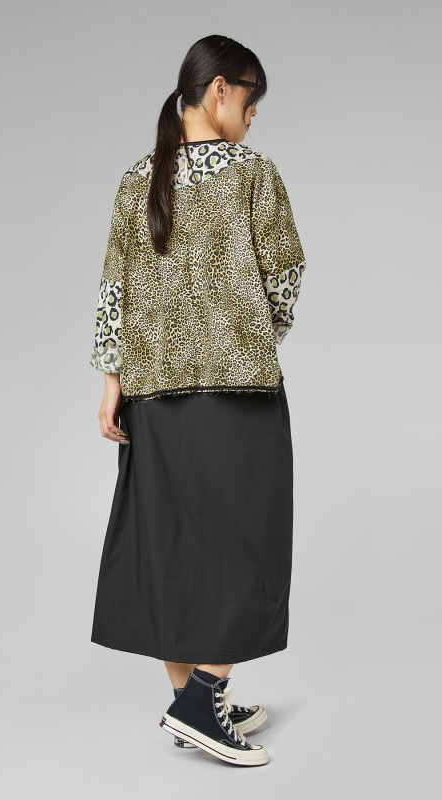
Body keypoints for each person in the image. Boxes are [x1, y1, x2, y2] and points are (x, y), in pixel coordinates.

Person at [88, 34, 306, 767]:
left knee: (172, 543)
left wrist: (112, 384)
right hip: (236, 390)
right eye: (251, 100)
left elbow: (113, 288)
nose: (253, 116)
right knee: (250, 538)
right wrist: (254, 333)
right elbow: (285, 275)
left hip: (150, 394)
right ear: (220, 90)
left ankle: (193, 700)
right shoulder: (254, 174)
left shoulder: (137, 178)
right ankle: (203, 697)